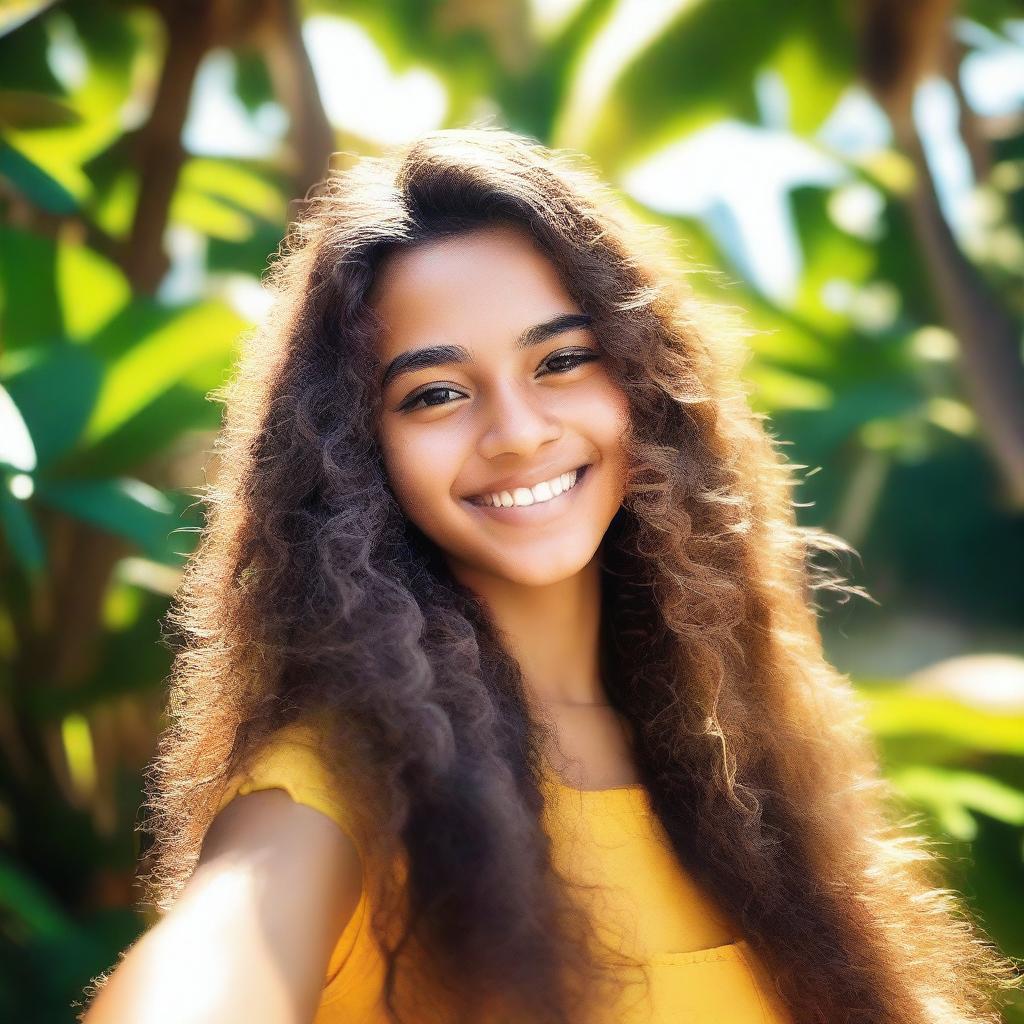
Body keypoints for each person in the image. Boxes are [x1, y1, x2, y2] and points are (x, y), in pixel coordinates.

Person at [79, 126, 1019, 1024]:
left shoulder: (734, 764)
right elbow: (214, 960)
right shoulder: (334, 788)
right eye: (435, 393)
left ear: (644, 382)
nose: (519, 430)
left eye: (562, 360)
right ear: (358, 453)